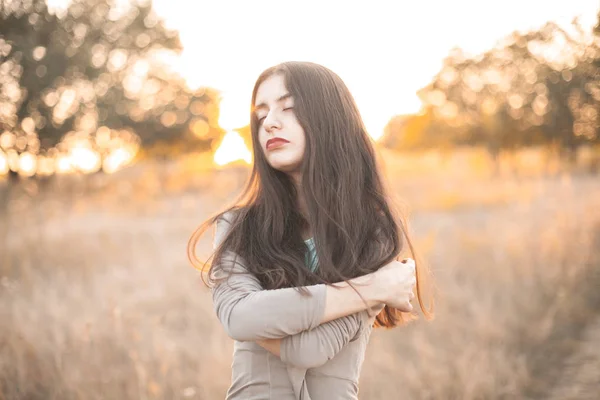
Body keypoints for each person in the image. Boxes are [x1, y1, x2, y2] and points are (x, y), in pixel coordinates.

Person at [188, 61, 434, 400]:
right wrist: (374, 286)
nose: (270, 122)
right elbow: (239, 317)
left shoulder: (372, 232)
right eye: (261, 115)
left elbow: (309, 350)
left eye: (289, 108)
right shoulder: (237, 228)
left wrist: (271, 313)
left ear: (330, 119)